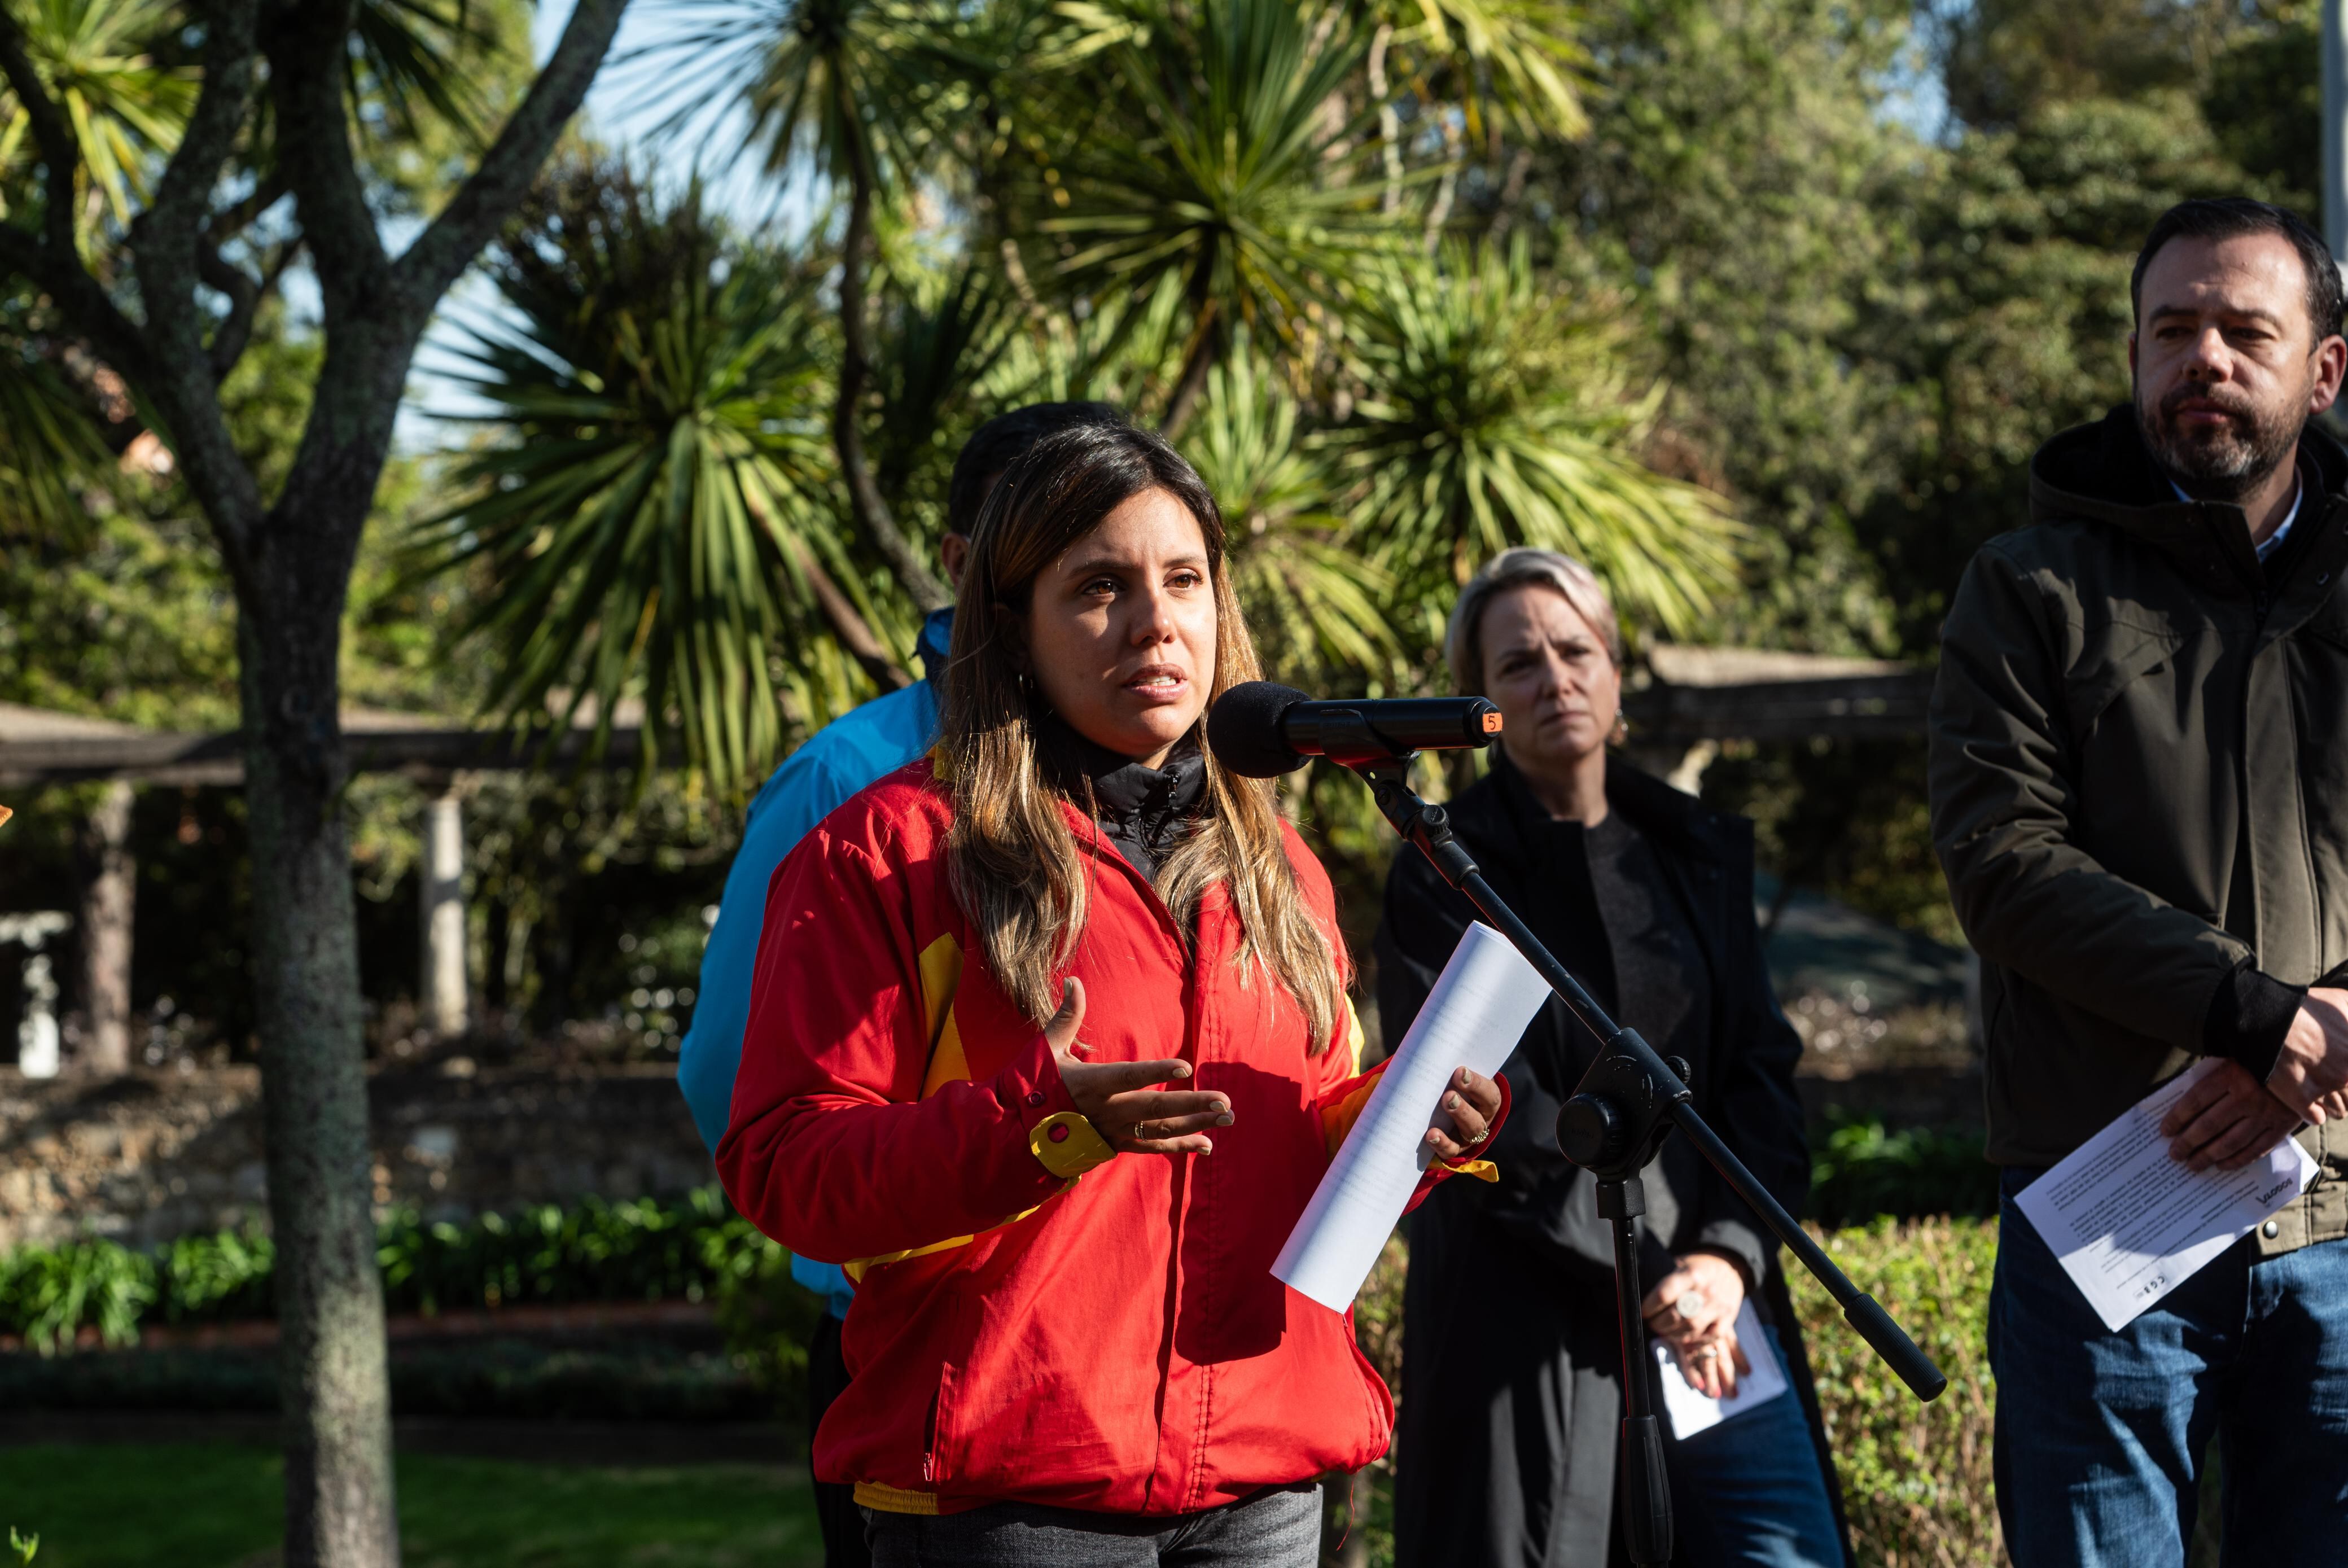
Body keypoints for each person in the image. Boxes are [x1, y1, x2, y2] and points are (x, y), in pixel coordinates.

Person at [718, 422, 1507, 1565]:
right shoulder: (884, 855)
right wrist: (1037, 1127)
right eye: (1098, 587)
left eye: (1184, 580)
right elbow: (787, 1167)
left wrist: (1400, 1128)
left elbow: (1298, 1141)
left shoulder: (1279, 872)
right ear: (1013, 629)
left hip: (1262, 1478)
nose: (1155, 622)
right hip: (1011, 1496)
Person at [1930, 196, 2348, 1565]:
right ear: (2132, 356)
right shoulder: (2027, 587)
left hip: (2343, 1214)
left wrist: (2317, 1032)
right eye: (2172, 329)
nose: (2204, 358)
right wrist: (2251, 1014)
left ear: (2323, 369)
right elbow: (2003, 862)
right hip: (2106, 1220)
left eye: (2245, 330)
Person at [678, 401, 1124, 1565]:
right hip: (921, 1351)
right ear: (964, 566)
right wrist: (894, 1246)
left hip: (1139, 1375)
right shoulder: (854, 781)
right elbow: (736, 1079)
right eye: (1034, 548)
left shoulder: (1178, 786)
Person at [1379, 548, 1847, 1568]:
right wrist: (1647, 1273)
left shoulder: (1691, 851)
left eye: (1575, 649)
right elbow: (1474, 1105)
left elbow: (1759, 1079)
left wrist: (1729, 1257)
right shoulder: (1441, 868)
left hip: (1712, 1308)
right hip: (1532, 1319)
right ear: (1483, 700)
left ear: (1617, 670)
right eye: (1518, 663)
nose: (1554, 677)